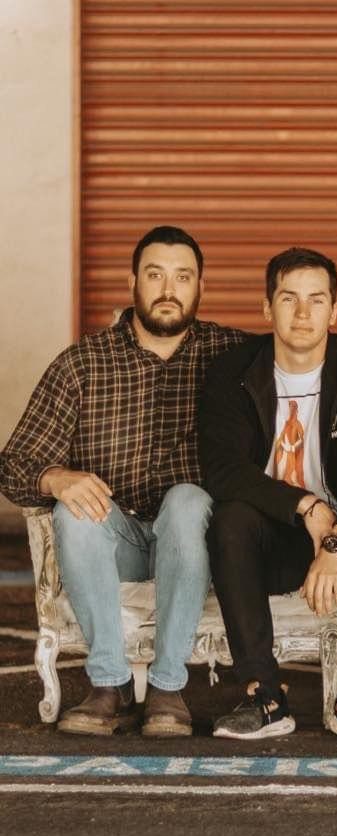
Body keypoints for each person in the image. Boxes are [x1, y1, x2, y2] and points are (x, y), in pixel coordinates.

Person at [0, 225, 245, 736]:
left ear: (201, 287)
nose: (169, 289)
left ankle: (167, 687)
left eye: (183, 277)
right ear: (132, 280)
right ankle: (108, 684)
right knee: (75, 506)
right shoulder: (83, 364)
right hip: (121, 541)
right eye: (155, 275)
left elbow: (307, 372)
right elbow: (15, 463)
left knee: (186, 499)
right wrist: (56, 477)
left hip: (195, 541)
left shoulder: (233, 355)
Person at [200, 247, 337, 741]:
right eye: (288, 298)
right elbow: (224, 469)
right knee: (229, 519)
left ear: (334, 311)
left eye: (316, 300)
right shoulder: (232, 371)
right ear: (265, 307)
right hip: (274, 535)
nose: (302, 313)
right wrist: (304, 506)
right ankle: (263, 696)